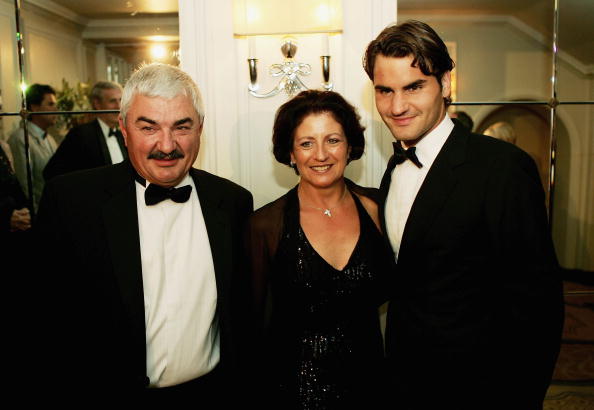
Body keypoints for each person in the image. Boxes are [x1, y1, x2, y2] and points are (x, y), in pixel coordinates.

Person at [363, 20, 564, 409]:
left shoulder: (502, 168)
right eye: (384, 91)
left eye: (414, 87)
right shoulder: (393, 171)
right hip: (406, 385)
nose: (397, 106)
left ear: (446, 84)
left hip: (480, 391)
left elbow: (537, 307)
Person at [35, 63, 253, 398]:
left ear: (200, 129)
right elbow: (46, 320)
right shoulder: (71, 202)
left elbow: (242, 313)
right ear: (123, 129)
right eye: (148, 128)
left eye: (182, 127)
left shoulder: (234, 202)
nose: (166, 146)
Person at [246, 90, 393, 409]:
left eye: (333, 140)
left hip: (372, 389)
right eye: (306, 143)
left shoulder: (378, 209)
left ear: (350, 145)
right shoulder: (265, 227)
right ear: (290, 154)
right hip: (293, 394)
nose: (321, 154)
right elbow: (253, 327)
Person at [43, 81, 128, 180]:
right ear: (97, 104)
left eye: (121, 100)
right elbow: (52, 172)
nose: (118, 106)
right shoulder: (80, 135)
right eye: (112, 101)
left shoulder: (123, 135)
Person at [8, 83, 57, 211]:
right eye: (50, 104)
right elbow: (24, 185)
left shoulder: (50, 139)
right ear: (34, 107)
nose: (56, 109)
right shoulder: (20, 139)